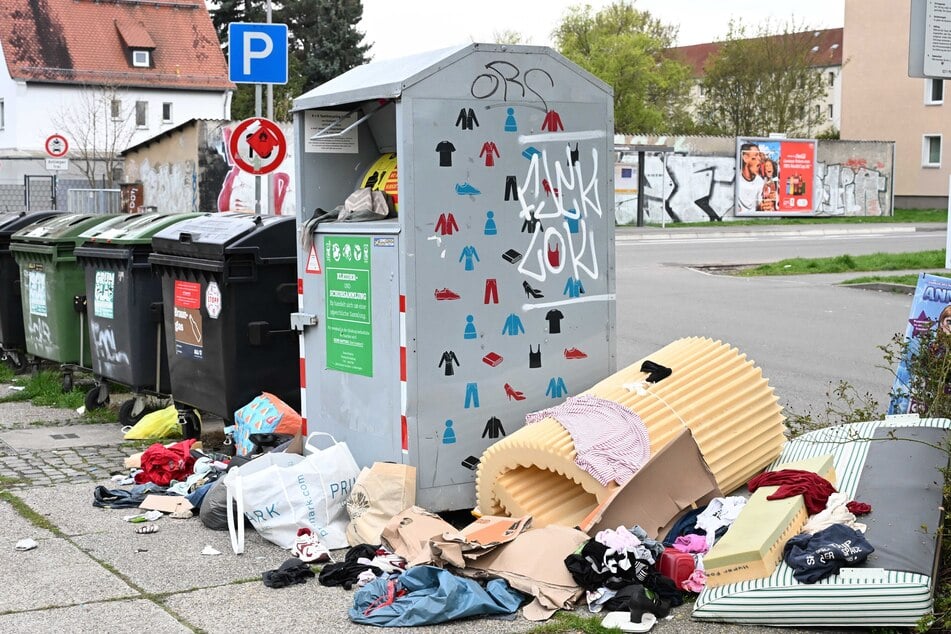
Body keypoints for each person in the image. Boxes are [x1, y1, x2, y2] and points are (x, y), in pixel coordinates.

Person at [736, 143, 765, 212]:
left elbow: (759, 205)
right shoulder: (736, 179)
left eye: (759, 155)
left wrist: (764, 207)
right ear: (745, 158)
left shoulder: (760, 181)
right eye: (756, 155)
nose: (759, 159)